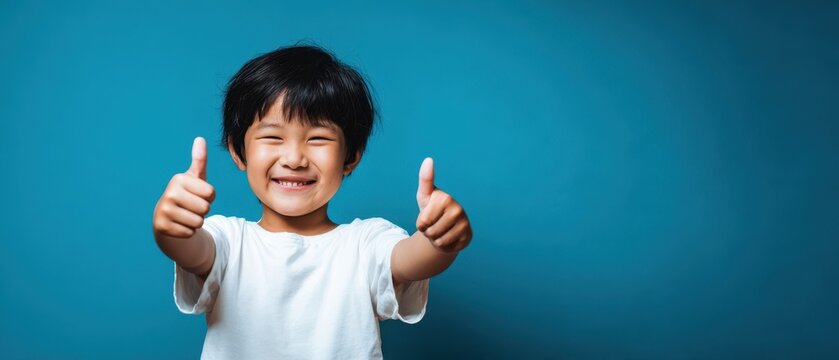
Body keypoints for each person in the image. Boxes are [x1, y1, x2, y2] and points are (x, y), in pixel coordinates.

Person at [151, 44, 473, 359]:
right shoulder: (229, 241)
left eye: (317, 138)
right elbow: (191, 249)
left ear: (351, 157)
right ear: (239, 151)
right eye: (273, 137)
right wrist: (171, 228)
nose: (294, 158)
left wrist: (439, 241)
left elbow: (409, 260)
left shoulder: (364, 243)